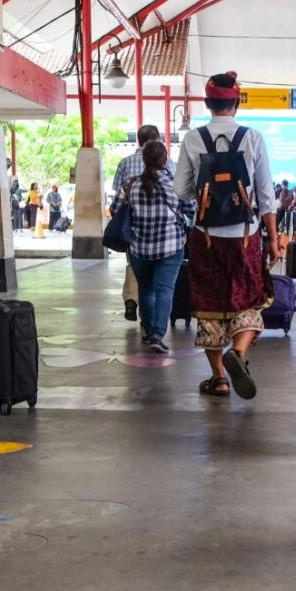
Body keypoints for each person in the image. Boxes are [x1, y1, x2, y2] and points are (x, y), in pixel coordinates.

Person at [174, 71, 278, 399]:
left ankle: (218, 378)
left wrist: (205, 192)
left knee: (210, 303)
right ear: (236, 103)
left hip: (205, 236)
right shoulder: (252, 138)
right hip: (245, 236)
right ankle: (239, 353)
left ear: (208, 103)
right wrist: (273, 238)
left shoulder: (193, 139)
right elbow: (265, 194)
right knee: (248, 297)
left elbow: (181, 190)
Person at [115, 141, 195, 353]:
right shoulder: (174, 184)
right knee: (165, 289)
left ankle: (149, 330)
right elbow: (191, 209)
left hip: (138, 248)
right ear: (164, 159)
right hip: (170, 246)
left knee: (146, 288)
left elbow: (115, 209)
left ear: (144, 159)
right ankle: (158, 335)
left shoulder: (131, 184)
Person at [111, 125, 174, 323]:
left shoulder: (125, 163)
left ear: (138, 141)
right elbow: (179, 196)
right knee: (161, 280)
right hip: (165, 232)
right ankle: (156, 326)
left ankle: (131, 299)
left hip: (135, 231)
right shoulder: (169, 163)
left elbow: (117, 202)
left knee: (135, 267)